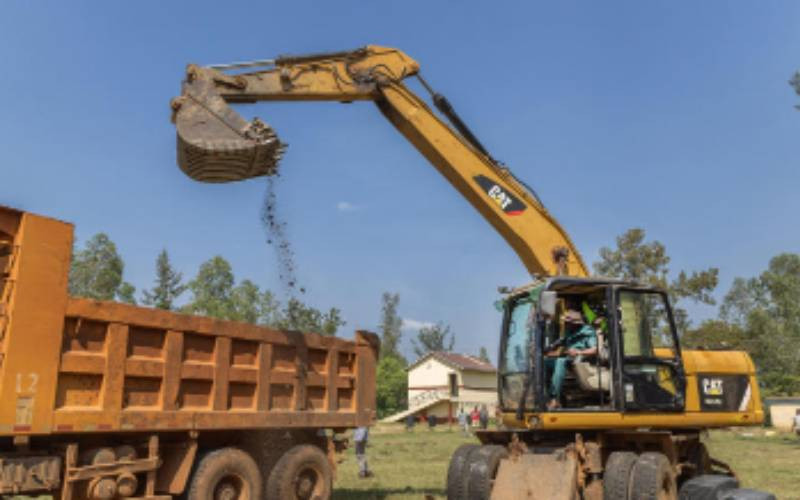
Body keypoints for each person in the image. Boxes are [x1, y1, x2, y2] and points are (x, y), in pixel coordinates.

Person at [545, 309, 598, 409]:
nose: (566, 324)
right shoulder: (569, 331)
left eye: (568, 323)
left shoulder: (588, 332)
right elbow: (561, 341)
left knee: (560, 361)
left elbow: (595, 350)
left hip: (582, 360)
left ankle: (555, 399)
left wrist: (578, 352)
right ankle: (549, 395)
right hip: (569, 359)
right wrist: (549, 347)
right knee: (546, 363)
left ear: (575, 323)